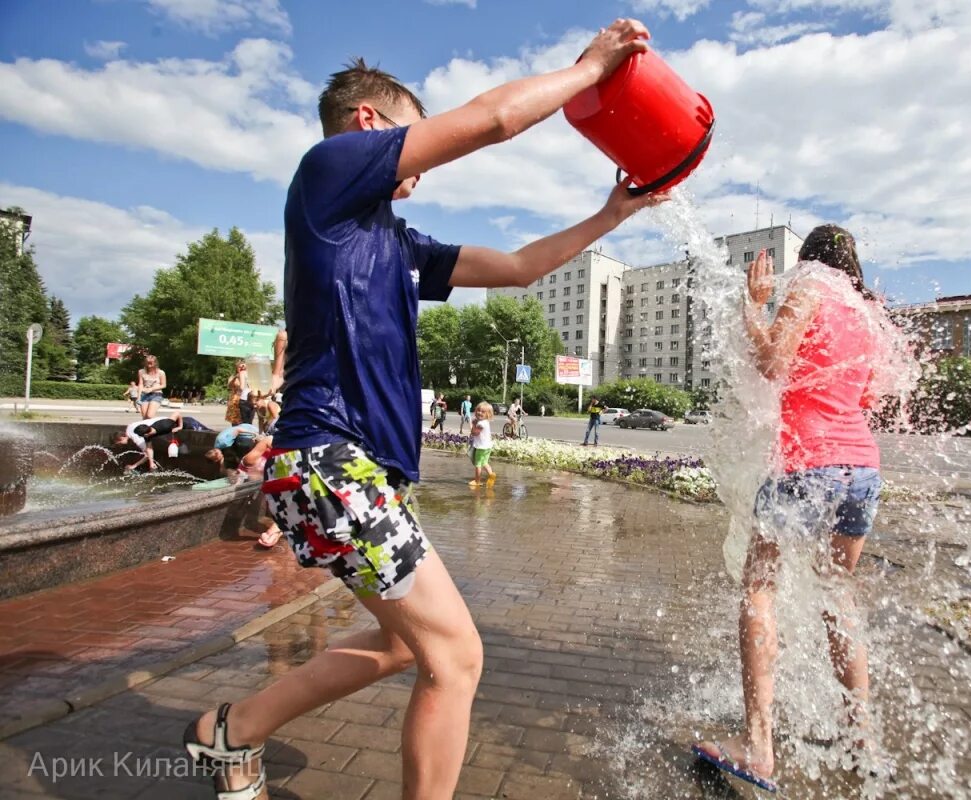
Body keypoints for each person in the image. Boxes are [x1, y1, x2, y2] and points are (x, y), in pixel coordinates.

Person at [182, 25, 665, 800]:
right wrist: (590, 71)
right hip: (329, 457)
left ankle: (230, 730)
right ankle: (230, 732)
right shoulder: (330, 172)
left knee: (413, 649)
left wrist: (613, 214)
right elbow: (493, 119)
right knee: (458, 658)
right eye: (411, 134)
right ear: (371, 123)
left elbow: (514, 269)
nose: (420, 165)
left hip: (355, 470)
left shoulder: (396, 241)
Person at [693, 226, 897, 791]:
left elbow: (771, 363)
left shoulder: (809, 289)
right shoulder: (867, 313)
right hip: (863, 469)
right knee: (838, 593)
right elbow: (871, 397)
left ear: (808, 260)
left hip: (807, 461)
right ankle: (863, 739)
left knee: (760, 585)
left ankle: (759, 745)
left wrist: (752, 309)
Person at [112, 411, 186, 472]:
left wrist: (134, 466)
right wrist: (151, 462)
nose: (120, 445)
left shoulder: (136, 435)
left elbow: (147, 454)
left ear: (122, 438)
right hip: (161, 424)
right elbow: (149, 449)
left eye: (118, 443)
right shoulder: (132, 427)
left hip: (174, 423)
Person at [469, 402, 496, 488]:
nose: (480, 413)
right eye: (478, 410)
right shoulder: (485, 422)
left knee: (478, 465)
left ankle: (477, 481)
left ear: (488, 414)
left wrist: (473, 425)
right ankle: (491, 475)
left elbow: (474, 433)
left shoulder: (481, 424)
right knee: (485, 463)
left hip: (481, 447)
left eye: (483, 412)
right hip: (487, 447)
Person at [136, 354, 167, 420]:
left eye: (151, 362)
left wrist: (151, 389)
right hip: (144, 395)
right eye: (147, 362)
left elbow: (164, 385)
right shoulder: (141, 371)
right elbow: (140, 384)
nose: (149, 364)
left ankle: (154, 428)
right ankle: (147, 429)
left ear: (155, 362)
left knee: (150, 415)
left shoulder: (161, 372)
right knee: (145, 417)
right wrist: (138, 397)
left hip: (156, 394)